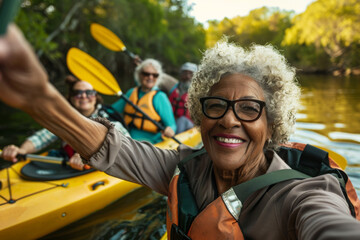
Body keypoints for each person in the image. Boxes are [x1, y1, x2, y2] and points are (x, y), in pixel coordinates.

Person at [1, 25, 360, 239]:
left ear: (272, 126)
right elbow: (110, 147)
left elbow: (328, 225)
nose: (229, 120)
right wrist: (38, 98)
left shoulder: (306, 192)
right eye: (216, 105)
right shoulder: (184, 167)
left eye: (250, 108)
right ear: (200, 115)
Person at [1, 75, 130, 171]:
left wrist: (87, 156)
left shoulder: (106, 117)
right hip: (69, 163)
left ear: (96, 97)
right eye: (78, 93)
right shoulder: (64, 119)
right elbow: (42, 137)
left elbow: (124, 142)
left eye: (89, 92)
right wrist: (21, 150)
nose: (84, 96)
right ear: (71, 98)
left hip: (98, 167)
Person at [111, 58, 177, 144]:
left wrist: (170, 130)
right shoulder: (131, 92)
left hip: (151, 142)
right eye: (146, 74)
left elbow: (172, 125)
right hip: (127, 137)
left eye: (155, 75)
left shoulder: (160, 97)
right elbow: (112, 111)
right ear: (139, 75)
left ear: (158, 77)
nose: (150, 77)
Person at [168, 62, 197, 133]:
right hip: (172, 122)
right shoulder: (173, 89)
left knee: (182, 120)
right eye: (185, 73)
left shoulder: (199, 93)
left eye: (191, 74)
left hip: (189, 126)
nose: (187, 76)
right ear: (180, 75)